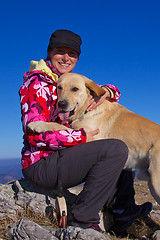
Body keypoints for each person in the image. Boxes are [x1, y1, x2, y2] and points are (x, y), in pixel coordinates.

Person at [19, 29, 152, 233]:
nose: (66, 58)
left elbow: (112, 90)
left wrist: (106, 92)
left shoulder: (65, 80)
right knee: (114, 149)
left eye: (71, 54)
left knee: (122, 146)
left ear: (77, 58)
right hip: (41, 165)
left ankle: (122, 211)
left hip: (62, 158)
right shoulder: (39, 83)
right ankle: (83, 219)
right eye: (60, 51)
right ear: (49, 52)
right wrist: (81, 137)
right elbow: (36, 135)